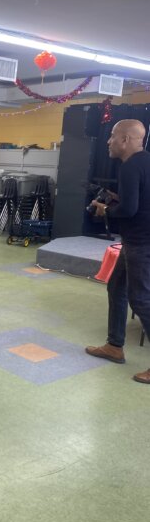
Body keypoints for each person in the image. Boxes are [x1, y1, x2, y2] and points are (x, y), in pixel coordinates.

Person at [85, 119, 150, 383]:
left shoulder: (130, 166)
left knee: (141, 300)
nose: (108, 141)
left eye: (112, 136)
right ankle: (114, 345)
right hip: (138, 240)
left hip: (140, 243)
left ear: (126, 139)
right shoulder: (145, 162)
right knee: (116, 287)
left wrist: (105, 209)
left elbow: (129, 210)